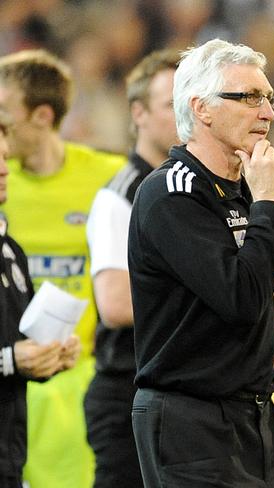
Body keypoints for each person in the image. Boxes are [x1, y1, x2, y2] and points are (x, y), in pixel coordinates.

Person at [128, 38, 274, 487]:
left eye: (269, 98)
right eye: (248, 98)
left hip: (260, 415)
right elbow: (241, 297)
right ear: (201, 109)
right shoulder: (171, 191)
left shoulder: (249, 189)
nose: (267, 112)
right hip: (191, 420)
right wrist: (270, 206)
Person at [0, 49, 125, 488]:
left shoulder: (110, 178)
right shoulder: (1, 183)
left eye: (4, 114)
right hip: (11, 378)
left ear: (42, 115)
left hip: (86, 379)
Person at [83, 48, 180, 488]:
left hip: (181, 393)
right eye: (169, 105)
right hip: (128, 391)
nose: (184, 116)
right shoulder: (120, 195)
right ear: (138, 113)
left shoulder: (205, 189)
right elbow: (117, 305)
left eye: (191, 103)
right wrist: (215, 296)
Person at [0, 113, 81, 487]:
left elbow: (18, 348)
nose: (4, 170)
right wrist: (10, 360)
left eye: (5, 158)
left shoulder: (10, 250)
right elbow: (9, 356)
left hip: (11, 455)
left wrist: (50, 355)